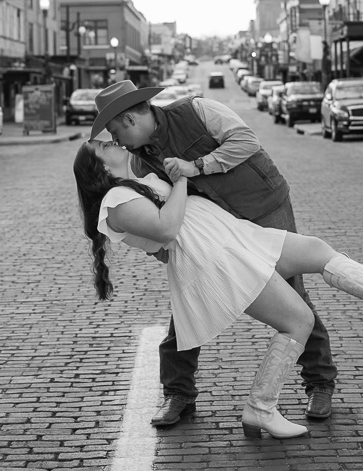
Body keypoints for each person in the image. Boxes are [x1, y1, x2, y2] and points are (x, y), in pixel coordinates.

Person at [73, 138, 363, 439]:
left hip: (235, 238)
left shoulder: (132, 183)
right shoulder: (115, 202)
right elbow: (167, 229)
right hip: (217, 259)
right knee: (298, 320)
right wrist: (181, 181)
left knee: (318, 250)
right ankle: (260, 407)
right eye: (103, 146)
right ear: (99, 167)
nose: (112, 143)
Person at [90, 80, 337, 426]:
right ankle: (178, 393)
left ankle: (319, 382)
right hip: (216, 229)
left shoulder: (197, 109)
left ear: (130, 119)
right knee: (188, 299)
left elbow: (246, 141)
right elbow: (157, 212)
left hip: (263, 205)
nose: (116, 142)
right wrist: (160, 248)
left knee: (291, 292)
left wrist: (198, 166)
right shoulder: (139, 165)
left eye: (115, 132)